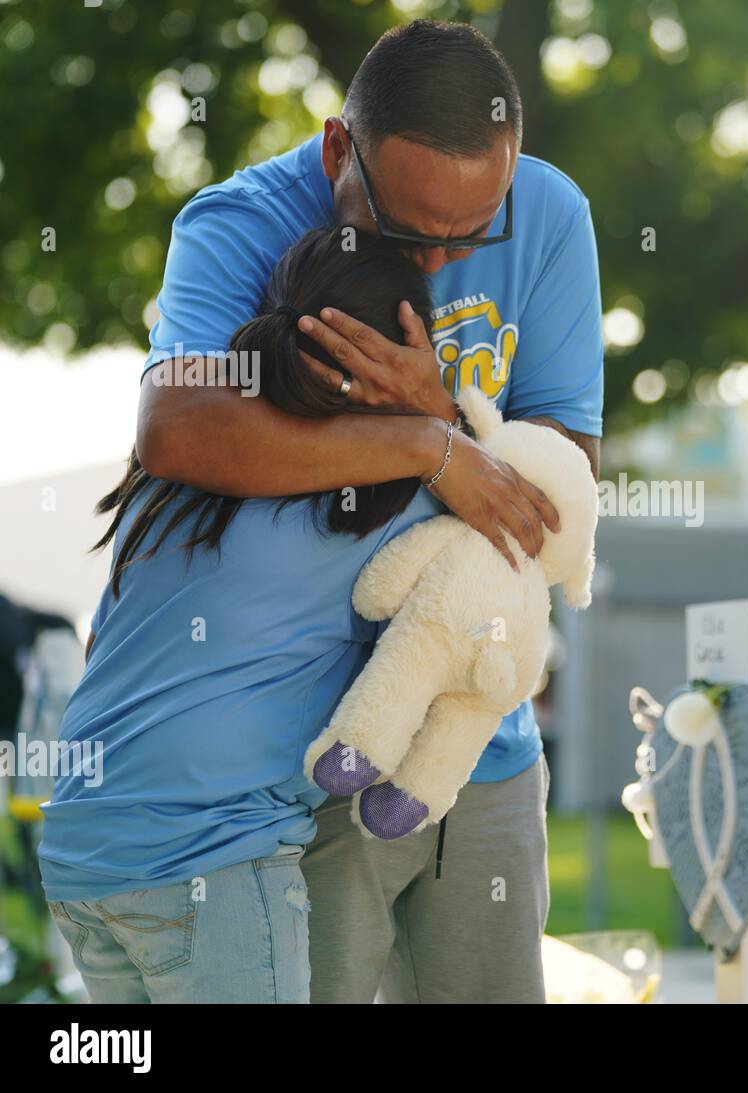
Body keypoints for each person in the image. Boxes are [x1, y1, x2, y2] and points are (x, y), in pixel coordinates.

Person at [134, 20, 603, 1002]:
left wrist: (440, 410)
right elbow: (178, 429)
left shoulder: (553, 213)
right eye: (408, 232)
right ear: (338, 148)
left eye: (472, 233)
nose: (440, 262)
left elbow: (560, 491)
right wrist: (426, 446)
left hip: (482, 745)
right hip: (294, 752)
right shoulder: (232, 225)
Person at [38, 228, 440, 1003]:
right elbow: (536, 527)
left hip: (82, 855)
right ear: (388, 357)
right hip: (206, 860)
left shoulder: (174, 471)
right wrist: (433, 412)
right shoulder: (387, 505)